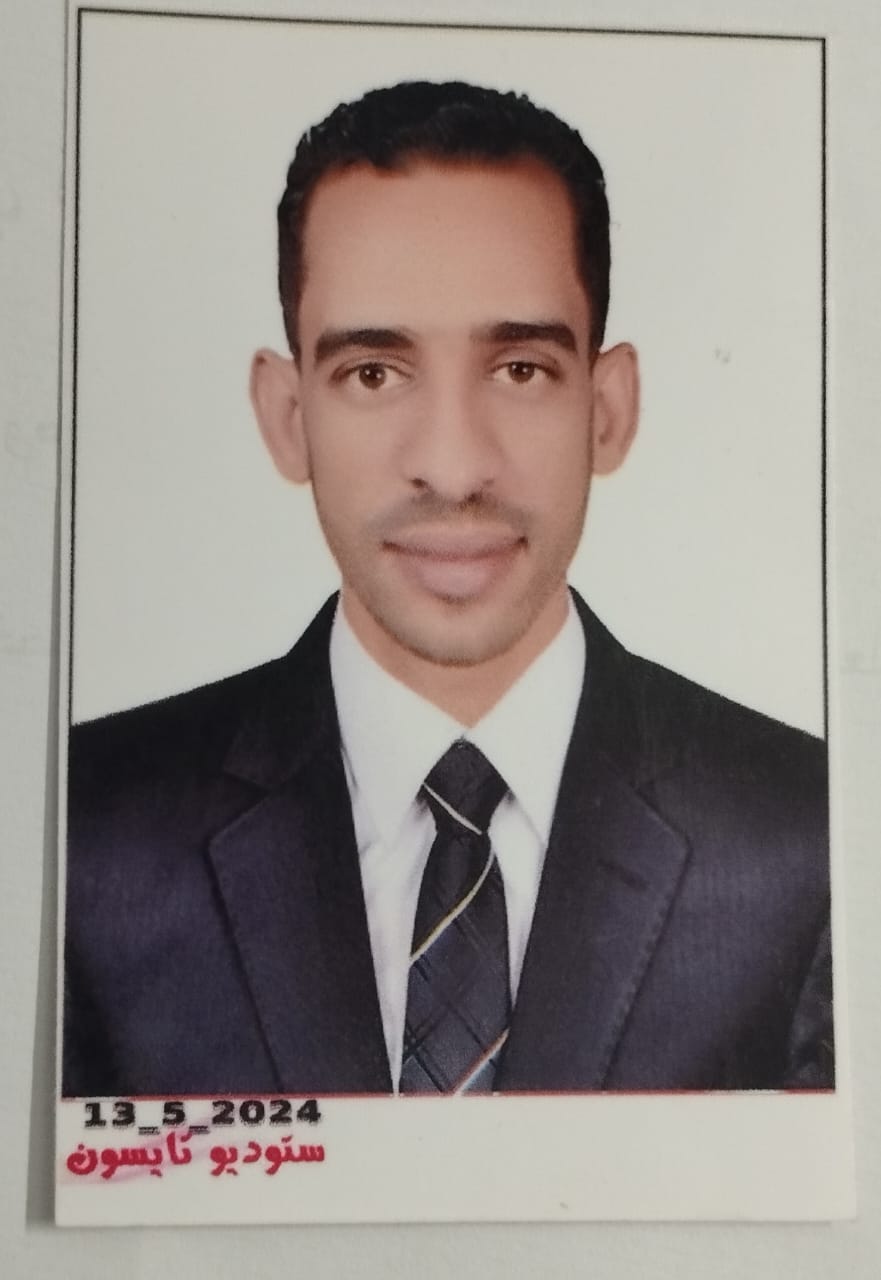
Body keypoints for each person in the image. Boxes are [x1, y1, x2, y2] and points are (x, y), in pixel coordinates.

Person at [62, 80, 833, 1098]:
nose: (455, 466)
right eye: (374, 374)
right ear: (286, 417)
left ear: (607, 409)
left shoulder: (813, 834)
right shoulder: (80, 831)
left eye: (519, 369)